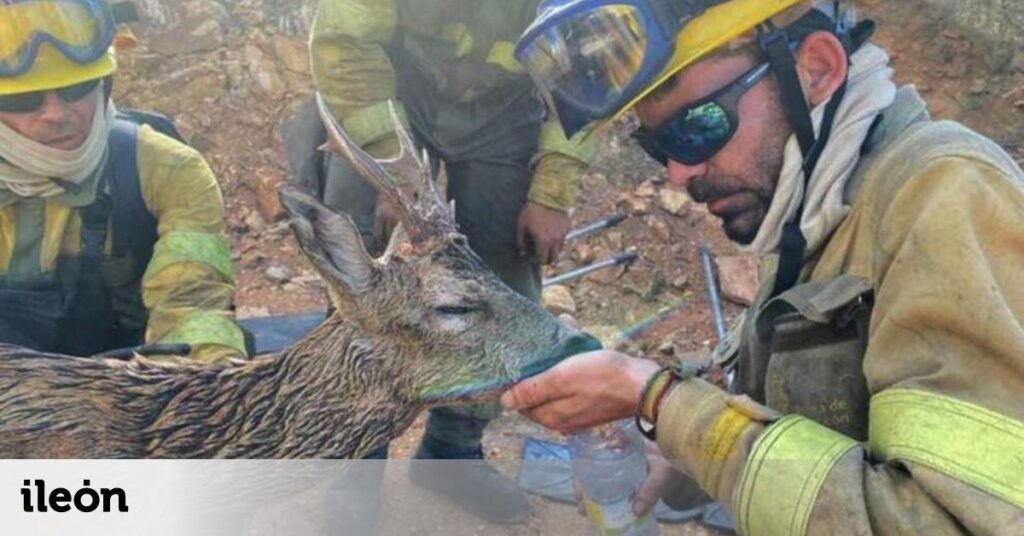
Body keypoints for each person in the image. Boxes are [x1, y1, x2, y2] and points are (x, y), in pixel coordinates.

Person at [504, 0, 1024, 533]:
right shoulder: (818, 215)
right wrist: (688, 456)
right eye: (658, 146)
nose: (680, 173)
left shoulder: (947, 197)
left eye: (698, 127)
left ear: (816, 70)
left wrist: (661, 400)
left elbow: (950, 520)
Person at [308, 0, 597, 524]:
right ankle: (355, 460)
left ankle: (452, 453)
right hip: (392, 88)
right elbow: (345, 41)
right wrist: (385, 159)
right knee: (362, 278)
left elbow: (590, 60)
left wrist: (553, 189)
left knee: (500, 283)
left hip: (510, 106)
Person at [0, 0, 247, 363]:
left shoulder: (171, 170)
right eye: (24, 100)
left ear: (105, 83)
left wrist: (209, 389)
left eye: (76, 89)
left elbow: (193, 304)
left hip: (129, 394)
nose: (56, 114)